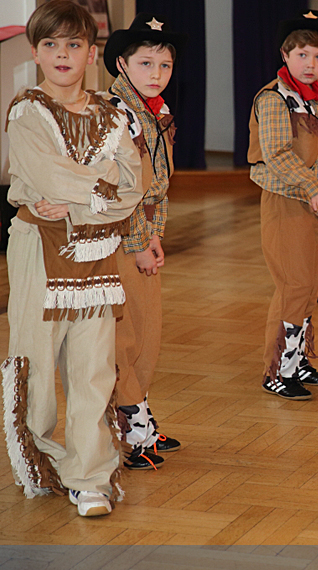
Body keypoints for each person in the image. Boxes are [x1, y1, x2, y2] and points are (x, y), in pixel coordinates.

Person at [3, 0, 142, 517]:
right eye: (51, 44)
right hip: (39, 247)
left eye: (74, 44)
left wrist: (82, 202)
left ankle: (90, 475)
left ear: (91, 53)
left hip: (98, 251)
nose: (63, 54)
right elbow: (46, 174)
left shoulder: (112, 114)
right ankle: (43, 459)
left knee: (92, 366)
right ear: (35, 52)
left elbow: (135, 184)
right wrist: (100, 185)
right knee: (37, 363)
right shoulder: (27, 111)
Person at [101, 12, 187, 469]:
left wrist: (154, 234)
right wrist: (137, 241)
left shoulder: (156, 113)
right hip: (115, 236)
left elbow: (160, 185)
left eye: (165, 65)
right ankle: (128, 427)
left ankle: (138, 415)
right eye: (146, 63)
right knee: (124, 333)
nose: (156, 74)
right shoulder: (113, 114)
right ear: (122, 63)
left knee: (147, 328)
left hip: (140, 232)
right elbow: (121, 188)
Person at [248, 10, 318, 401]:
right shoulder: (274, 98)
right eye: (302, 55)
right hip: (287, 201)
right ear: (285, 55)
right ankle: (276, 370)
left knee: (310, 284)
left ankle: (296, 360)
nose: (311, 64)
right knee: (293, 285)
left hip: (316, 204)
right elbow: (277, 154)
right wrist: (313, 187)